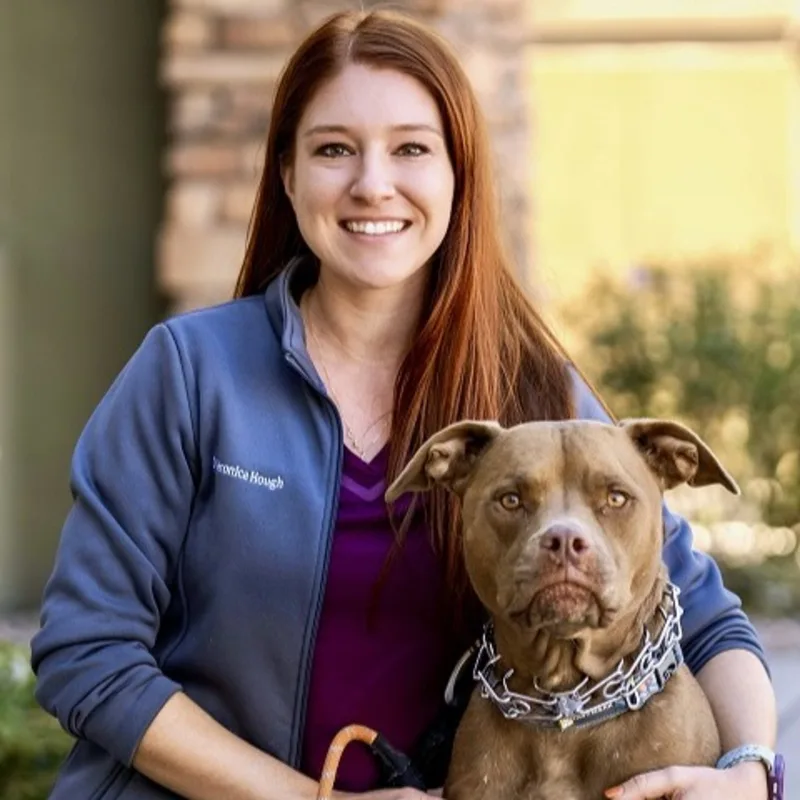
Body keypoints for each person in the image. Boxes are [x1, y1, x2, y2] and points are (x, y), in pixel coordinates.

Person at [31, 9, 777, 800]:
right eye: (333, 149)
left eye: (412, 149)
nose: (372, 184)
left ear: (459, 176)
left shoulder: (534, 393)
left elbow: (705, 619)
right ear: (287, 175)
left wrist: (750, 770)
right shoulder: (188, 374)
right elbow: (90, 653)